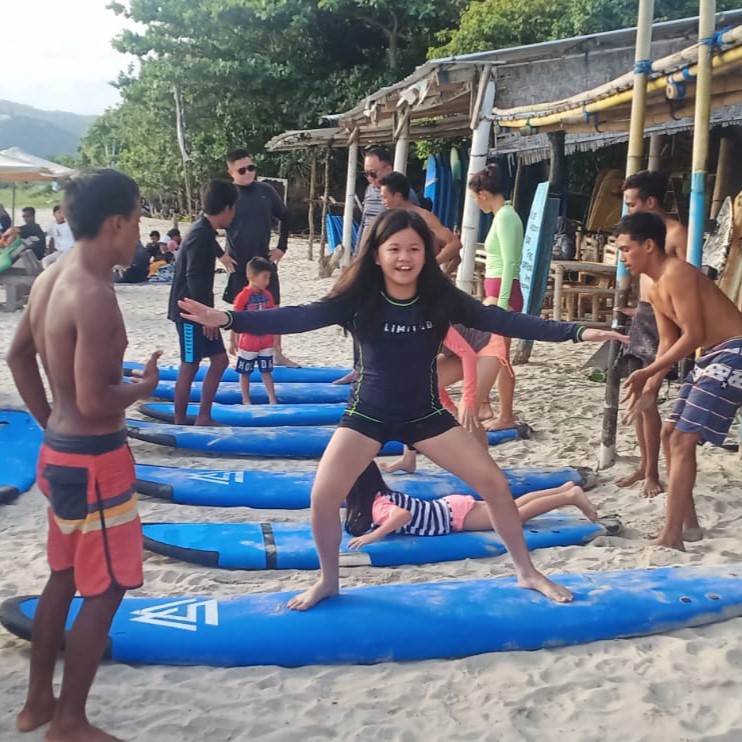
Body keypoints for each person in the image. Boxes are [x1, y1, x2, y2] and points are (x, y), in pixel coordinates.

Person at [179, 208, 627, 610]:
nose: (404, 257)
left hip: (425, 413)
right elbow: (299, 316)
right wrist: (231, 319)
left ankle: (527, 572)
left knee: (493, 482)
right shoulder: (358, 299)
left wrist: (575, 333)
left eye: (414, 249)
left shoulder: (440, 297)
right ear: (377, 254)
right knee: (322, 497)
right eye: (394, 248)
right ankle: (329, 580)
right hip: (368, 414)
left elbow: (502, 320)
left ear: (425, 256)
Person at [5, 168, 161, 741]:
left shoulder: (53, 277)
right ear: (117, 223)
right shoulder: (93, 295)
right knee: (107, 586)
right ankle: (69, 721)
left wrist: (51, 422)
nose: (139, 231)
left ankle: (37, 704)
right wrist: (142, 390)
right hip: (94, 461)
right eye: (139, 218)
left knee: (64, 577)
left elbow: (19, 356)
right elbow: (97, 400)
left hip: (62, 455)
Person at [619, 212, 742, 551]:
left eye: (627, 249)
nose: (623, 257)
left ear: (649, 245)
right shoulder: (649, 283)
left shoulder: (676, 272)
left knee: (684, 439)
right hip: (713, 353)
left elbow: (695, 334)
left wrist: (647, 372)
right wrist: (651, 386)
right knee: (669, 432)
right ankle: (688, 525)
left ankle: (671, 536)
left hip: (735, 350)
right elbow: (666, 340)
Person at [617, 170, 688, 498]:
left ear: (650, 201)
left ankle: (653, 473)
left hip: (669, 320)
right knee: (638, 396)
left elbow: (687, 283)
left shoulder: (675, 234)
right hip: (646, 313)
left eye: (632, 204)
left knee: (650, 396)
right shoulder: (640, 235)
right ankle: (646, 466)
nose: (628, 210)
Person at [344, 460, 598, 547]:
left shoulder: (378, 508)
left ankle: (568, 497)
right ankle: (562, 488)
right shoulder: (380, 495)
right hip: (451, 507)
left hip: (454, 517)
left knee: (515, 517)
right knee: (513, 505)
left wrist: (372, 536)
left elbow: (401, 516)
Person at [381, 324, 509, 473]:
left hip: (486, 345)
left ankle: (487, 468)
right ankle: (408, 460)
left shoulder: (428, 321)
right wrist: (448, 407)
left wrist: (467, 399)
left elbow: (467, 353)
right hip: (458, 352)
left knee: (467, 412)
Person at [168, 179, 238, 425]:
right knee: (190, 365)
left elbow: (212, 246)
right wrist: (206, 316)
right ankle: (179, 421)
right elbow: (194, 277)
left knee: (220, 361)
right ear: (227, 208)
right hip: (189, 311)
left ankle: (203, 416)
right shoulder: (199, 234)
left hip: (199, 309)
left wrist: (222, 256)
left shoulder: (205, 230)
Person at [223, 148, 296, 366]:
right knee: (240, 308)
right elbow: (206, 225)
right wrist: (220, 255)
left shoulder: (266, 191)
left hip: (264, 260)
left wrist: (282, 247)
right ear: (231, 172)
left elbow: (285, 217)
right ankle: (235, 349)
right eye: (242, 170)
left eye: (251, 168)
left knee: (274, 307)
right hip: (238, 262)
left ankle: (277, 352)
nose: (248, 173)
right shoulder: (227, 194)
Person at [469, 164, 525, 431]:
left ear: (482, 194)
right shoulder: (501, 216)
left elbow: (512, 262)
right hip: (496, 290)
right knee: (492, 353)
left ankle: (505, 414)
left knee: (500, 357)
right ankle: (490, 406)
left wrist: (501, 305)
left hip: (504, 293)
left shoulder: (505, 217)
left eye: (474, 197)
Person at [380, 171, 462, 273]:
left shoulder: (423, 216)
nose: (382, 201)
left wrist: (431, 266)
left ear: (397, 196)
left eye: (385, 197)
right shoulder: (388, 219)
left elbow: (454, 244)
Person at [230, 256, 278, 404]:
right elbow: (234, 319)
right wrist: (233, 341)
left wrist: (275, 338)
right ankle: (246, 399)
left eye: (269, 278)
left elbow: (274, 317)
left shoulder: (267, 295)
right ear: (251, 276)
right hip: (248, 341)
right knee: (245, 372)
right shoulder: (243, 296)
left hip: (266, 340)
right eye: (264, 277)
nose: (267, 281)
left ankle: (272, 398)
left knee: (266, 370)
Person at [357, 147, 418, 253]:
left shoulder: (405, 194)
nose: (369, 178)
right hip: (366, 252)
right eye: (366, 174)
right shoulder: (369, 190)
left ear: (388, 170)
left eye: (373, 173)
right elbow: (364, 222)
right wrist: (357, 252)